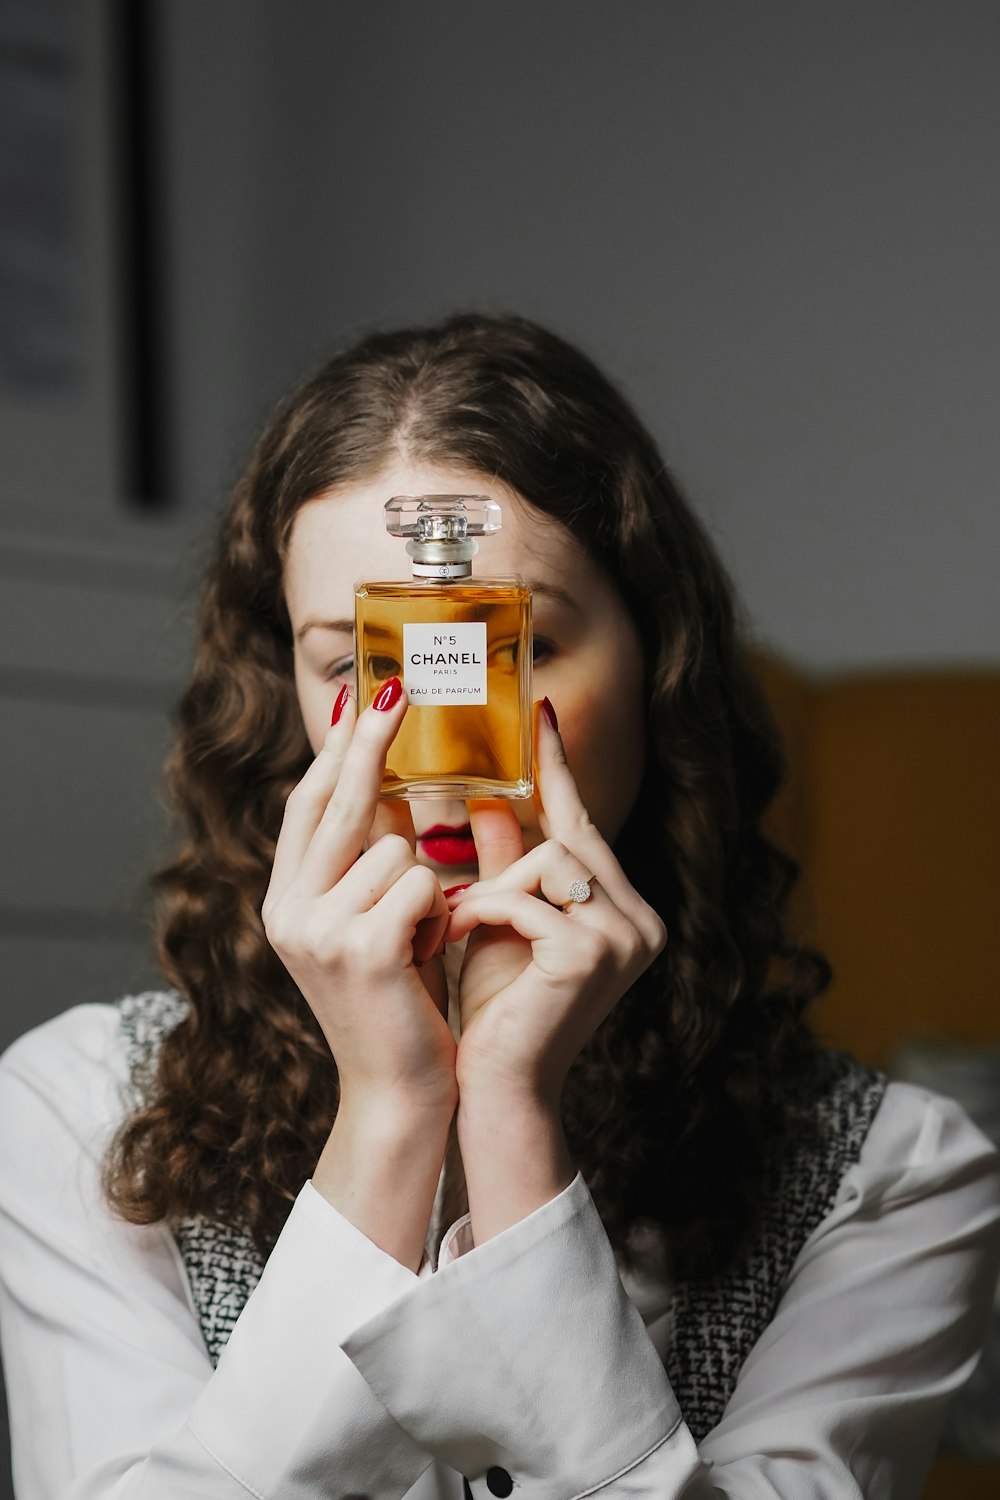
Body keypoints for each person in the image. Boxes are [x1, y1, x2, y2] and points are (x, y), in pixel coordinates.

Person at [0, 311, 998, 1500]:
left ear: (656, 670)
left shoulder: (892, 1174)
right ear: (292, 705)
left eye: (508, 648)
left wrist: (514, 1124)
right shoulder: (77, 1114)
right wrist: (391, 1109)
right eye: (360, 663)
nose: (435, 752)